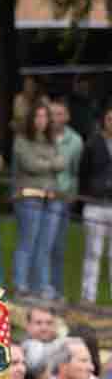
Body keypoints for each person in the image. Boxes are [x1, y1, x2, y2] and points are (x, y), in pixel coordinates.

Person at [13, 99, 67, 300]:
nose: (41, 120)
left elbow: (62, 162)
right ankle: (21, 285)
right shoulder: (21, 140)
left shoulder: (51, 140)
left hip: (52, 198)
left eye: (45, 116)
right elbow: (30, 164)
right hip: (29, 197)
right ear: (31, 118)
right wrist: (50, 163)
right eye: (38, 116)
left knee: (46, 244)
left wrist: (45, 163)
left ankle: (42, 286)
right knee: (28, 241)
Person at [79, 103, 112, 306]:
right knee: (93, 251)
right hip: (95, 204)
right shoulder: (93, 143)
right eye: (110, 119)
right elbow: (83, 172)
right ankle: (88, 296)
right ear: (104, 121)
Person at [51, 101, 83, 302]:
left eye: (60, 113)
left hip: (62, 198)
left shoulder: (76, 141)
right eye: (52, 113)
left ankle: (57, 289)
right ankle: (42, 288)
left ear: (67, 116)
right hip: (41, 195)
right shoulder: (41, 136)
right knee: (41, 246)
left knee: (58, 246)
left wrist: (72, 194)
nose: (55, 118)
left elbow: (75, 171)